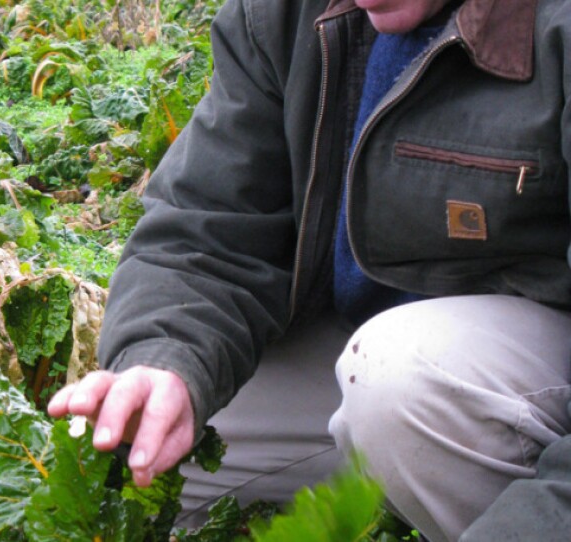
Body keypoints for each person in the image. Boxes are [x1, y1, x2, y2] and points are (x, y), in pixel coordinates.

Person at [48, 0, 571, 540]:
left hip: (510, 377)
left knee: (398, 380)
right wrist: (167, 359)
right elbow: (210, 224)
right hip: (354, 366)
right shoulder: (280, 14)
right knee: (130, 444)